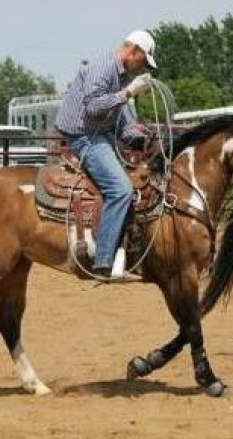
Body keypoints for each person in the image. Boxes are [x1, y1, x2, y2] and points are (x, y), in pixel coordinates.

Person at [55, 30, 157, 278]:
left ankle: (125, 254)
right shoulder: (103, 67)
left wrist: (138, 132)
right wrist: (128, 93)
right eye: (143, 61)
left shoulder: (120, 76)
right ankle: (104, 259)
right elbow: (93, 106)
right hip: (84, 137)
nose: (142, 67)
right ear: (133, 51)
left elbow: (119, 117)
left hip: (99, 136)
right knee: (121, 189)